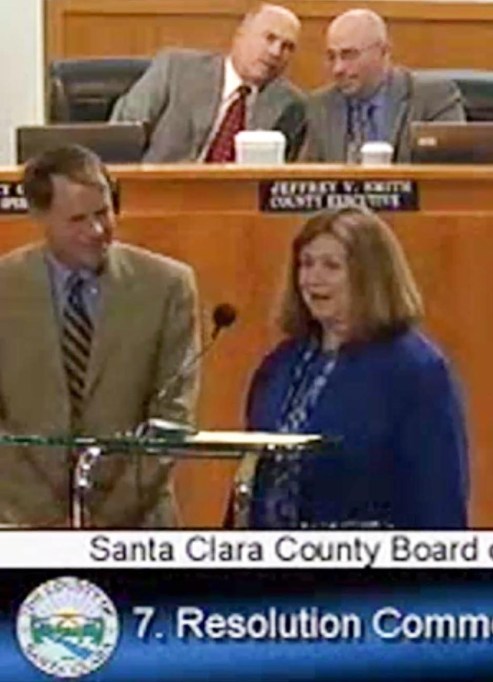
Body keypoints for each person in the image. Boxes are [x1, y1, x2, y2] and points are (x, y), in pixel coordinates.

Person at [0, 145, 200, 527]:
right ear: (39, 215)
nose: (96, 231)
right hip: (21, 524)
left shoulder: (167, 286)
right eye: (77, 219)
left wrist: (104, 520)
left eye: (103, 213)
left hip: (138, 528)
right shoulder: (5, 288)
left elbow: (173, 416)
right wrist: (48, 518)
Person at [240, 206, 469, 529]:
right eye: (306, 264)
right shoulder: (283, 362)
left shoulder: (416, 370)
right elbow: (254, 473)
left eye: (332, 266)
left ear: (371, 276)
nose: (313, 278)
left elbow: (438, 497)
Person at [110, 3, 306, 163]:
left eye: (287, 47)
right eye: (269, 38)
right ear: (240, 35)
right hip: (157, 196)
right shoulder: (176, 70)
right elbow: (121, 134)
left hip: (235, 204)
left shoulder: (290, 105)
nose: (275, 52)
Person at [301, 8, 466, 163]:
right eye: (331, 57)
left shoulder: (432, 97)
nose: (338, 69)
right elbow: (304, 179)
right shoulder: (321, 105)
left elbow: (453, 170)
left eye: (349, 55)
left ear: (384, 52)